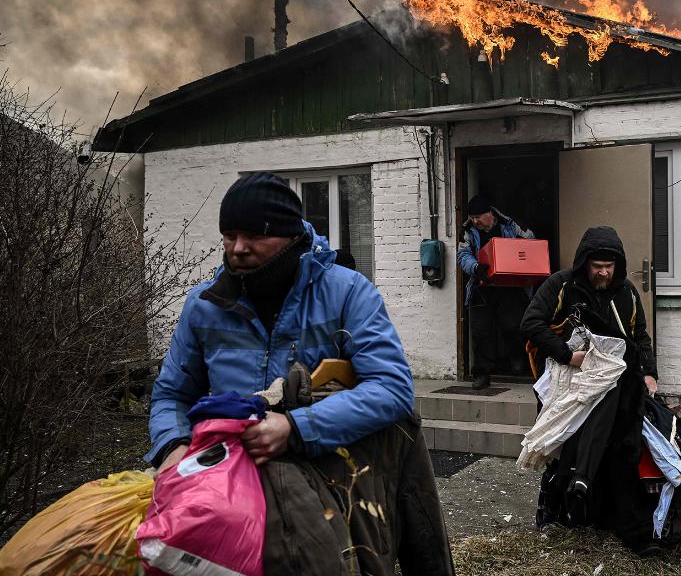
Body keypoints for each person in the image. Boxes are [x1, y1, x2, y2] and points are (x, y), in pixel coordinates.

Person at [146, 172, 454, 576]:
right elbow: (171, 395)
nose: (238, 248)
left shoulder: (347, 293)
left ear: (291, 235)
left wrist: (296, 427)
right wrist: (173, 446)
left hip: (331, 484)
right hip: (227, 487)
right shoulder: (203, 306)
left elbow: (392, 390)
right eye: (229, 235)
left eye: (255, 235)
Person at [520, 226, 665, 555]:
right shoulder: (561, 286)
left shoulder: (626, 293)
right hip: (565, 384)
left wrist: (649, 374)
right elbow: (531, 323)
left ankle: (613, 518)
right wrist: (569, 355)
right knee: (562, 448)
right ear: (585, 262)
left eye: (608, 267)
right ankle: (551, 512)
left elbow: (639, 337)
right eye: (597, 266)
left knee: (620, 450)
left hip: (615, 387)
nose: (602, 272)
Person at [457, 195, 534, 390]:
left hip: (510, 288)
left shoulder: (510, 225)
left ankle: (516, 358)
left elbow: (532, 242)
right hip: (481, 288)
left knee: (512, 326)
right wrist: (476, 267)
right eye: (472, 217)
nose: (474, 221)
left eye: (478, 217)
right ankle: (482, 374)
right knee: (480, 332)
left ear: (489, 214)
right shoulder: (468, 231)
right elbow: (463, 255)